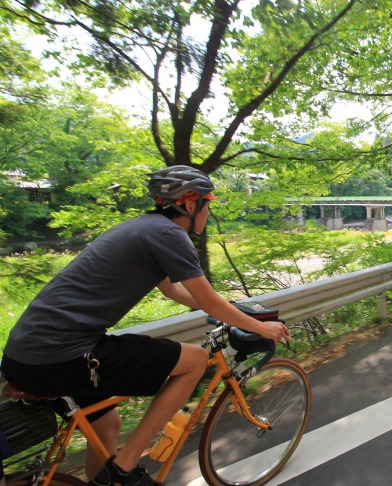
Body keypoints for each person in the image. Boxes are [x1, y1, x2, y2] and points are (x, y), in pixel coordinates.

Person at [0, 165, 290, 486]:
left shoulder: (144, 228)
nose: (209, 211)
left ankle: (105, 482)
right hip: (63, 354)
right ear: (191, 205)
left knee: (107, 425)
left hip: (26, 354)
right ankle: (124, 470)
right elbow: (207, 302)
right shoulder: (169, 235)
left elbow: (174, 290)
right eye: (208, 203)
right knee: (194, 362)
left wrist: (231, 308)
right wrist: (261, 327)